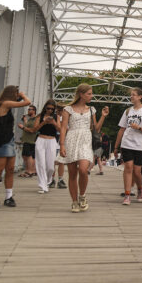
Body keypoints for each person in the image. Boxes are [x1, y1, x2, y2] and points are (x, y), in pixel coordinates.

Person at [58, 84, 109, 213]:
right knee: (72, 173)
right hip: (71, 140)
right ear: (81, 94)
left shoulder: (92, 109)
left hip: (86, 140)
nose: (91, 96)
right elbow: (63, 128)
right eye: (89, 94)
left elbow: (96, 129)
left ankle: (82, 196)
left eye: (91, 93)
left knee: (83, 170)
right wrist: (62, 145)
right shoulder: (67, 109)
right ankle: (74, 202)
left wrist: (103, 116)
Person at [0, 85, 32, 209]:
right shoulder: (5, 103)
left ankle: (8, 196)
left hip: (9, 140)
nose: (18, 96)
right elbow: (28, 102)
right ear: (12, 93)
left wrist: (18, 97)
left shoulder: (4, 104)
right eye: (16, 93)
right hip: (2, 141)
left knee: (10, 169)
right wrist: (22, 96)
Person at [114, 87, 142, 205]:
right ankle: (127, 194)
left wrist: (139, 127)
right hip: (127, 143)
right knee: (128, 168)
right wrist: (116, 146)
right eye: (131, 95)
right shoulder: (127, 111)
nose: (131, 97)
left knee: (137, 171)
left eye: (134, 95)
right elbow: (122, 129)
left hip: (139, 144)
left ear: (140, 97)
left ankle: (140, 189)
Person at [30, 100, 60, 194]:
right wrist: (43, 122)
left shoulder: (56, 117)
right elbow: (34, 130)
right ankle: (42, 185)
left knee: (50, 166)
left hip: (52, 141)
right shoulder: (40, 116)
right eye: (48, 108)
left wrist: (53, 123)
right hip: (41, 140)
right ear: (45, 107)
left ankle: (47, 181)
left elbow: (60, 129)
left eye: (52, 109)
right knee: (41, 164)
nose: (50, 110)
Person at [17, 106, 38, 178]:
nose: (28, 111)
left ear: (34, 111)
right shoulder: (30, 119)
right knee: (27, 156)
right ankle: (31, 171)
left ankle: (29, 171)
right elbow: (28, 127)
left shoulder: (35, 120)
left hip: (30, 140)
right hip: (28, 140)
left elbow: (31, 130)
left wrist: (22, 127)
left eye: (30, 109)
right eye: (28, 109)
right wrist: (25, 120)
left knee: (28, 156)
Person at [53, 104, 67, 190]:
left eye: (60, 111)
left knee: (61, 161)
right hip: (54, 141)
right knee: (52, 162)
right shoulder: (54, 117)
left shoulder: (66, 118)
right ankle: (51, 179)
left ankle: (60, 179)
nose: (59, 112)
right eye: (57, 110)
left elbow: (62, 129)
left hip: (62, 142)